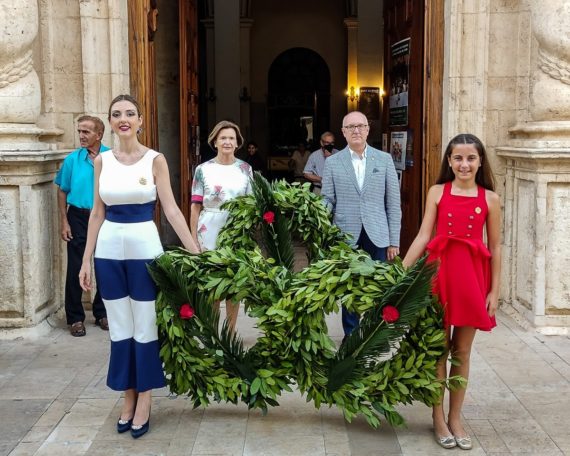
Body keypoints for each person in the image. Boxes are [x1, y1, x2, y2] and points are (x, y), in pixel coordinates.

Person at [78, 94, 200, 439]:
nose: (124, 119)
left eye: (130, 113)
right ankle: (127, 396)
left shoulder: (155, 160)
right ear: (111, 122)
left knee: (144, 327)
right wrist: (86, 259)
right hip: (108, 252)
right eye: (116, 114)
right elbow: (97, 213)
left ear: (141, 120)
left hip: (145, 248)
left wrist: (195, 252)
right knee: (119, 328)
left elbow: (173, 210)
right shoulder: (102, 162)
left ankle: (144, 397)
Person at [402, 133, 501, 450]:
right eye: (458, 158)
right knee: (438, 350)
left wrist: (495, 291)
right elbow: (422, 235)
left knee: (462, 352)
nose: (464, 164)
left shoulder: (490, 199)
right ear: (449, 161)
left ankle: (456, 416)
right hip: (438, 277)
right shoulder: (437, 192)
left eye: (471, 158)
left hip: (472, 280)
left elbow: (496, 247)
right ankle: (438, 416)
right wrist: (400, 273)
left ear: (480, 161)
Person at [322, 111, 401, 337]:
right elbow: (327, 198)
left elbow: (393, 204)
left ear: (368, 129)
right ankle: (351, 336)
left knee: (379, 288)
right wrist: (318, 220)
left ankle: (375, 335)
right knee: (350, 289)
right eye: (351, 127)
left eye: (360, 126)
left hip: (379, 234)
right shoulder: (333, 163)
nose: (356, 131)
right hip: (346, 235)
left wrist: (394, 240)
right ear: (343, 132)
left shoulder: (384, 160)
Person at [190, 120, 253, 330]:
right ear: (215, 141)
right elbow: (195, 207)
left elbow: (251, 205)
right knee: (212, 285)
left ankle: (230, 332)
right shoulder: (203, 169)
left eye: (231, 138)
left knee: (234, 285)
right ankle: (214, 334)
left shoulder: (245, 169)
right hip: (208, 229)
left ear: (237, 143)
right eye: (223, 138)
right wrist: (193, 240)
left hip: (236, 231)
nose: (227, 142)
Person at [54, 115, 109, 337]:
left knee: (104, 264)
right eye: (79, 131)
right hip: (77, 216)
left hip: (105, 215)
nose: (81, 136)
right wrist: (64, 220)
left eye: (86, 132)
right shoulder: (72, 160)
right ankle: (75, 318)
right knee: (77, 266)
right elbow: (62, 190)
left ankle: (102, 312)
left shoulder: (111, 158)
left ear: (99, 134)